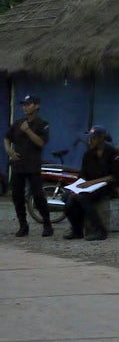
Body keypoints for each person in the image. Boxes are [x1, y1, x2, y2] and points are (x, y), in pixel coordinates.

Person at [63, 127, 119, 241]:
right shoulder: (88, 154)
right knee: (68, 198)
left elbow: (113, 177)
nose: (90, 141)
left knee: (83, 198)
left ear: (101, 139)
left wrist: (90, 183)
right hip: (90, 186)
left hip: (106, 187)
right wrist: (75, 188)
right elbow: (83, 175)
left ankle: (100, 231)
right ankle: (77, 230)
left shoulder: (114, 153)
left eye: (93, 138)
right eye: (90, 138)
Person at [6, 93, 51, 237]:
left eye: (28, 104)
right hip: (18, 165)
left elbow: (41, 143)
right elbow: (7, 138)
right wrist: (9, 150)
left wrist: (28, 131)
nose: (25, 107)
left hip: (33, 165)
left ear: (36, 106)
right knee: (17, 197)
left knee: (38, 196)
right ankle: (23, 226)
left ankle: (47, 224)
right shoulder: (18, 123)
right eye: (24, 105)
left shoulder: (42, 123)